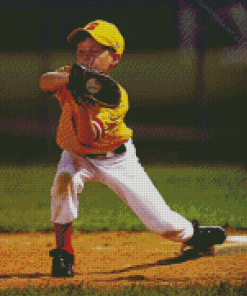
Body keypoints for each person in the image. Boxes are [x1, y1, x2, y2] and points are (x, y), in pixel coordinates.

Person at [39, 20, 227, 277]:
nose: (86, 58)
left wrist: (81, 107)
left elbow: (86, 137)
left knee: (163, 224)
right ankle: (63, 253)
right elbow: (44, 82)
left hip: (116, 160)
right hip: (75, 155)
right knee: (64, 182)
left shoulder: (115, 97)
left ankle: (195, 235)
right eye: (81, 51)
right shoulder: (72, 74)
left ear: (114, 59)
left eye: (95, 52)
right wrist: (74, 78)